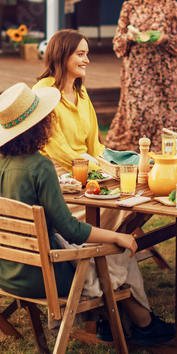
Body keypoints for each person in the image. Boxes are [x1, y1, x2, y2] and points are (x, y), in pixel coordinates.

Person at [0, 83, 174, 346]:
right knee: (117, 253)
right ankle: (143, 324)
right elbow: (70, 229)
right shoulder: (39, 166)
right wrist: (117, 237)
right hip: (42, 276)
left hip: (5, 269)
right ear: (40, 124)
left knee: (106, 252)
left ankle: (117, 325)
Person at [33, 29, 127, 231]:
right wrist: (99, 171)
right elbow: (56, 148)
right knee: (117, 201)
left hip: (86, 166)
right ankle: (93, 253)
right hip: (57, 173)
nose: (87, 60)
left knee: (128, 194)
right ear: (62, 55)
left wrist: (108, 166)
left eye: (86, 54)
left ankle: (102, 251)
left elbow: (94, 141)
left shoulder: (79, 90)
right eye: (80, 54)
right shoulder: (43, 93)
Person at [106, 0, 177, 151]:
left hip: (164, 73)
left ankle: (164, 161)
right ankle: (136, 160)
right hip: (136, 72)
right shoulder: (129, 7)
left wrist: (165, 38)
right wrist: (128, 37)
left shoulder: (170, 6)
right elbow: (117, 46)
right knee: (137, 117)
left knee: (166, 119)